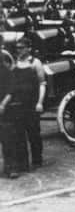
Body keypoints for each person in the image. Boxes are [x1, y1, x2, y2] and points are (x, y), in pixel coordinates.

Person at [8, 37, 46, 172]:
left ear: (29, 48)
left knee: (34, 133)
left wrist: (40, 102)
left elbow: (42, 84)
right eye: (17, 48)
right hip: (18, 104)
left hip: (32, 103)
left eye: (21, 48)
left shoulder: (36, 63)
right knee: (19, 134)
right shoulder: (14, 63)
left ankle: (37, 159)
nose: (19, 50)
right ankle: (22, 162)